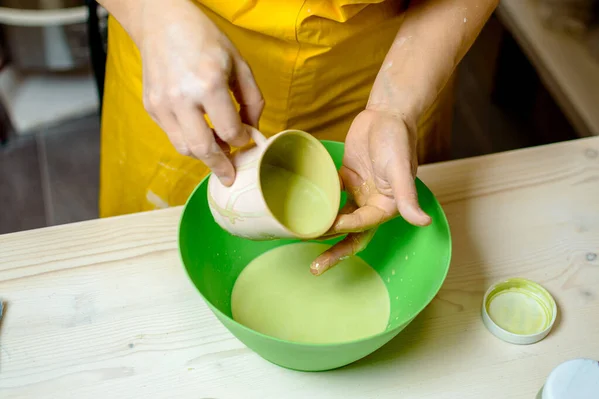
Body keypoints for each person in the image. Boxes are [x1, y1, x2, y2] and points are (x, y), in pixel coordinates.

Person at [96, 0, 498, 274]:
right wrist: (152, 17)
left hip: (387, 61)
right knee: (149, 269)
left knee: (384, 230)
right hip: (184, 57)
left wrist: (395, 106)